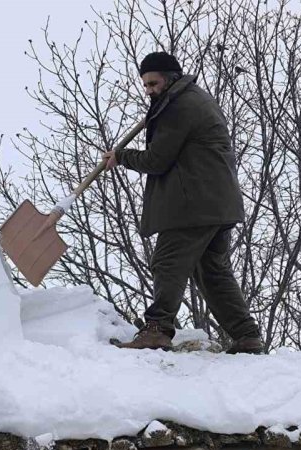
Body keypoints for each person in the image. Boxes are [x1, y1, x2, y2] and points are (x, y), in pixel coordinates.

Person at [102, 52, 262, 354]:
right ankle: (247, 335)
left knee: (168, 262)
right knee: (212, 272)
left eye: (153, 83)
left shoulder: (180, 106)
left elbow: (157, 159)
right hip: (215, 201)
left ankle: (158, 330)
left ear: (169, 77)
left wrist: (122, 157)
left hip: (194, 203)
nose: (148, 90)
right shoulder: (190, 99)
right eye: (145, 85)